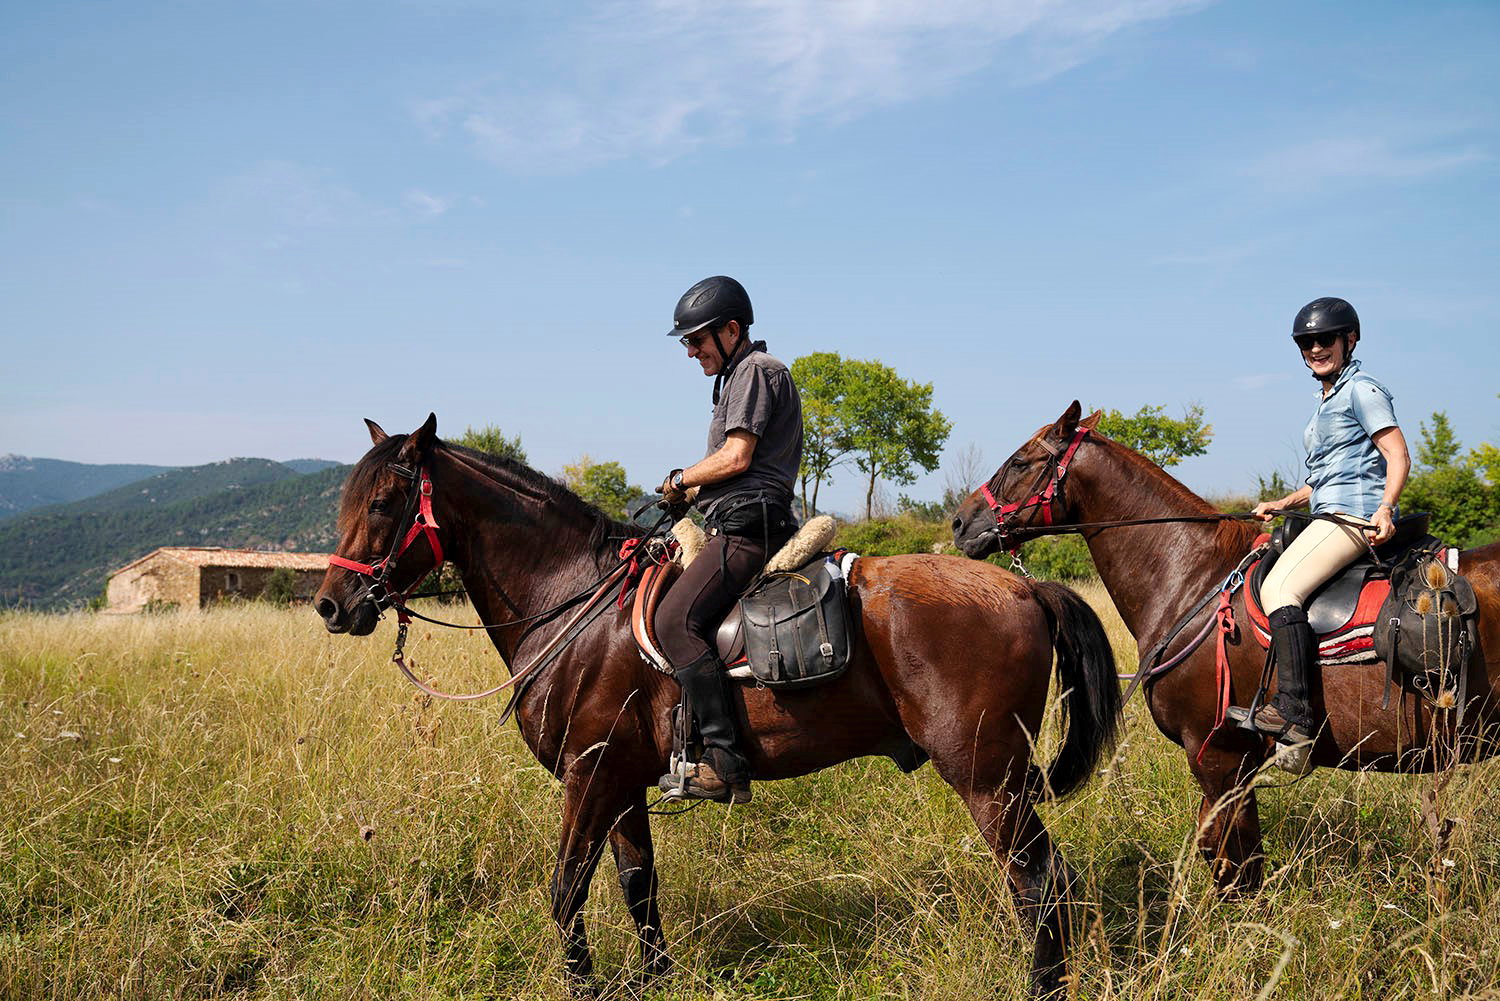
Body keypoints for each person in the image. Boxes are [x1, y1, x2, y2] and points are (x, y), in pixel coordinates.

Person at [655, 275, 803, 804]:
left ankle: (722, 761)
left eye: (696, 340)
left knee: (674, 620)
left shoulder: (758, 372)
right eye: (687, 342)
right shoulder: (737, 377)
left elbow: (738, 457)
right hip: (731, 517)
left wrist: (682, 478)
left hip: (748, 528)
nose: (691, 351)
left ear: (732, 330)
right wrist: (688, 494)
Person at [1247, 296, 1410, 772]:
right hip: (1326, 511)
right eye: (1307, 342)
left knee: (1280, 587)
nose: (1315, 348)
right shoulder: (1327, 398)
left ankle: (1296, 718)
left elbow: (1397, 455)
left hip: (1354, 516)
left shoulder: (1363, 390)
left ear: (1349, 339)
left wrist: (1384, 508)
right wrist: (1284, 502)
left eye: (1325, 340)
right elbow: (1327, 476)